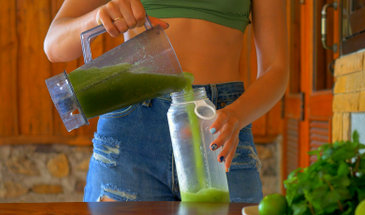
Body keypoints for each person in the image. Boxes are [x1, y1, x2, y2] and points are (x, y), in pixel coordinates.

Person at [44, 0, 288, 203]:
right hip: (133, 126)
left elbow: (275, 69)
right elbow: (54, 46)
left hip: (221, 127)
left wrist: (237, 116)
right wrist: (98, 17)